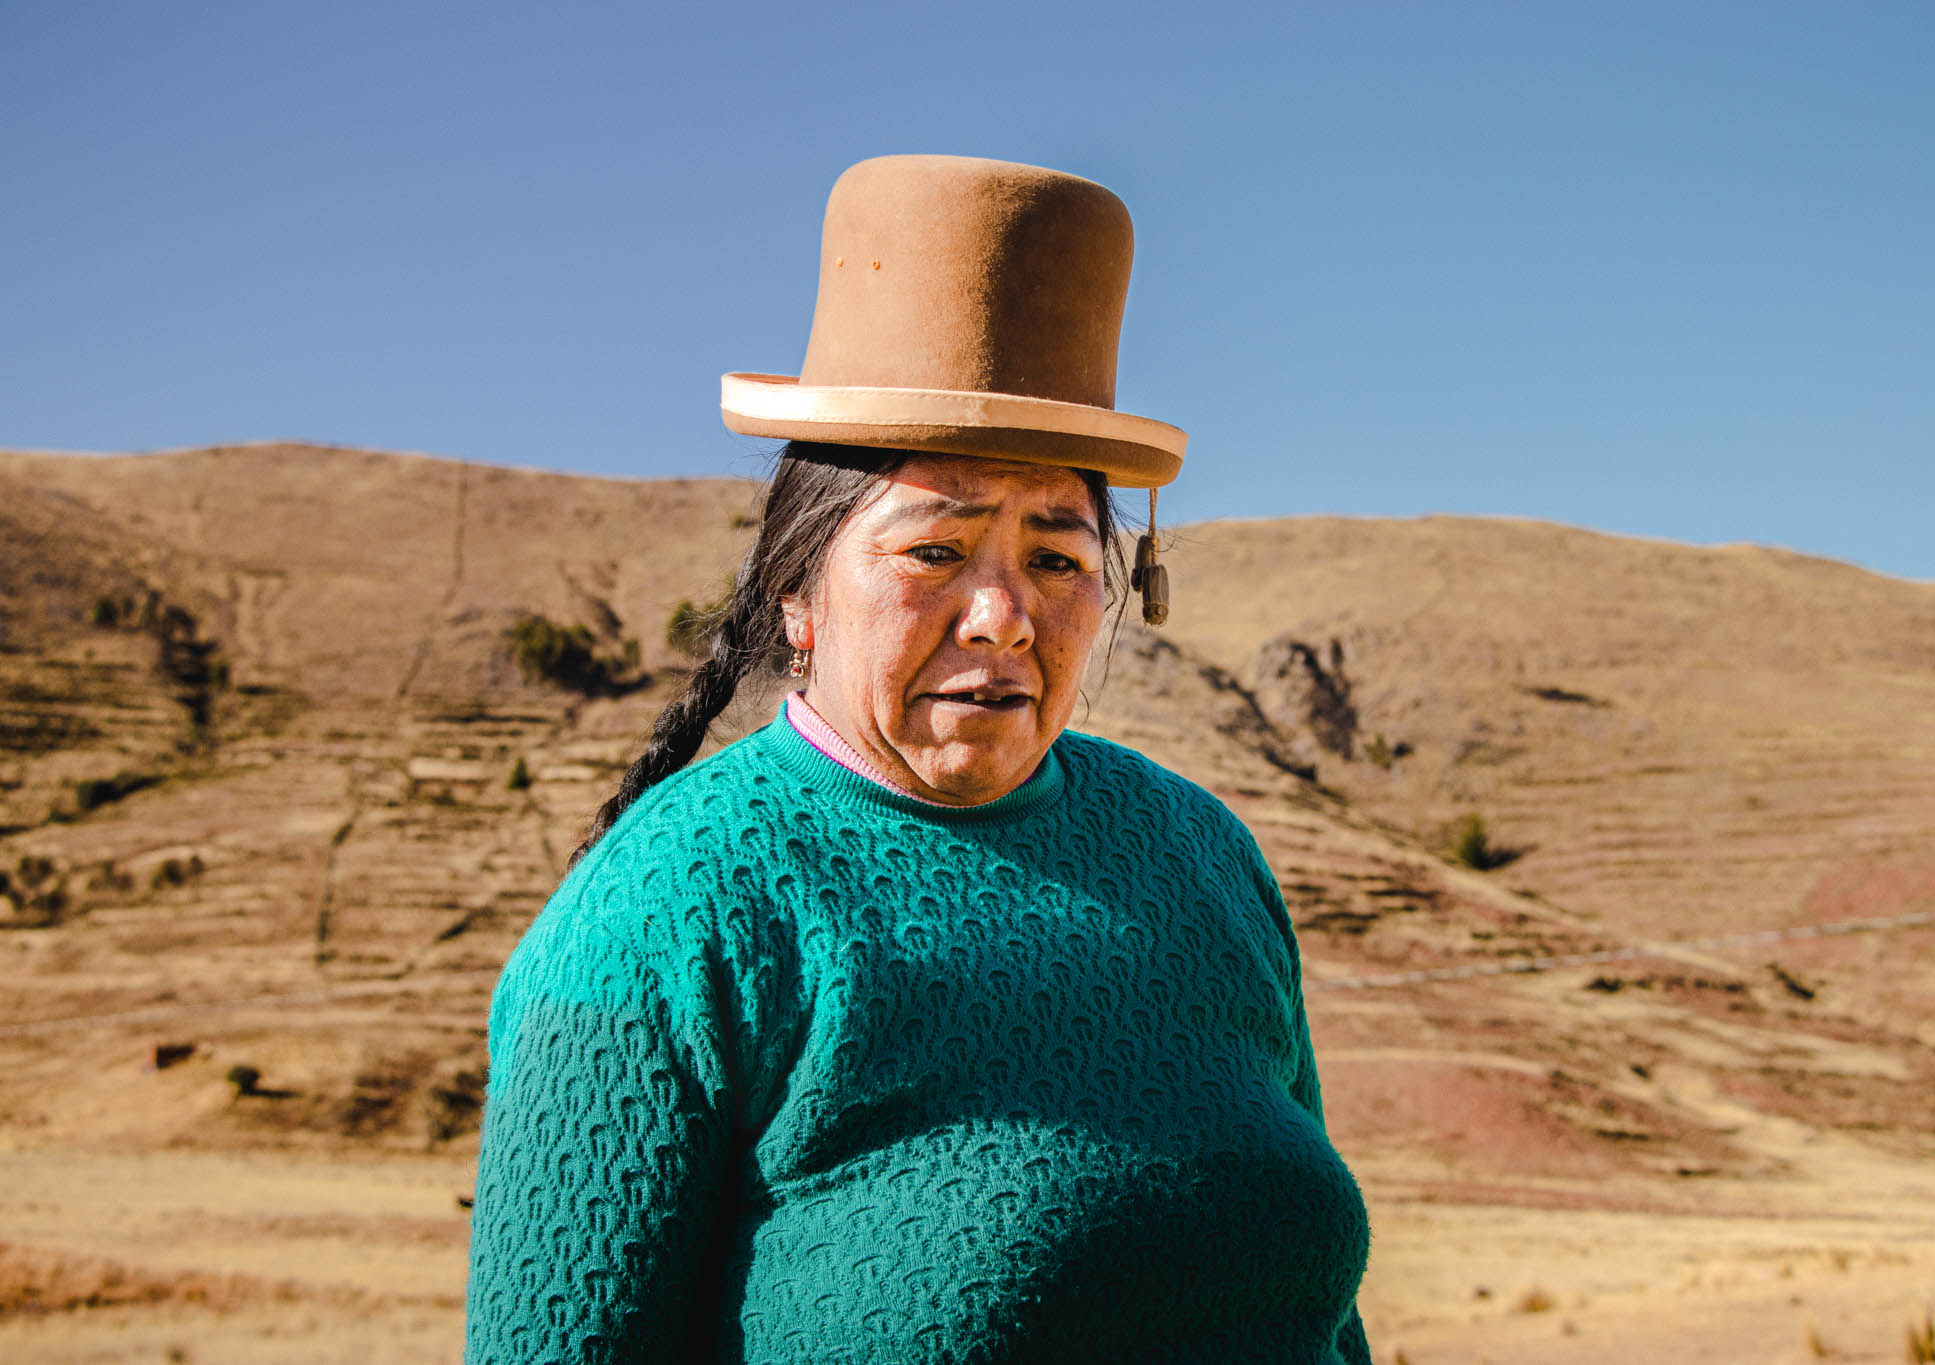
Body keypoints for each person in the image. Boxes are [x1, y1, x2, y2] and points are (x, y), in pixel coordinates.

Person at [464, 154, 1373, 1364]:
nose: (1002, 613)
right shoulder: (671, 908)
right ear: (795, 592)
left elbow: (1319, 1321)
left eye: (1055, 557)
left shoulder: (1199, 855)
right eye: (935, 553)